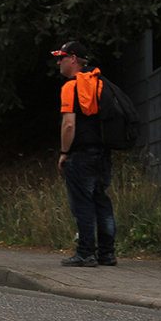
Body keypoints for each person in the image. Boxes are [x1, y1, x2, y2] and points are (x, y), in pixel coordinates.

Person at [52, 40, 117, 267]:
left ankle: (85, 253)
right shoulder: (100, 83)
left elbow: (69, 124)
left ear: (72, 59)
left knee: (83, 203)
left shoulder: (71, 87)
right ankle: (107, 253)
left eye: (61, 57)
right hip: (103, 151)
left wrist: (64, 152)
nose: (58, 62)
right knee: (102, 200)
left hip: (81, 154)